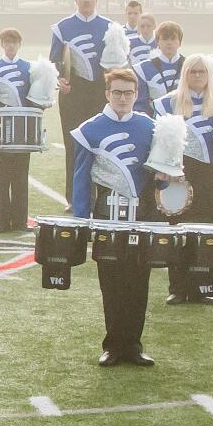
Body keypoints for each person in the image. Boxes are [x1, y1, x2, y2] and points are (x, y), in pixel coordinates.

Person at [70, 68, 157, 367]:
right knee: (111, 279)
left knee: (138, 279)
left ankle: (133, 344)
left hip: (142, 214)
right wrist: (83, 220)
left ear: (136, 95)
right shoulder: (90, 128)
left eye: (129, 93)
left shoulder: (149, 126)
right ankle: (112, 345)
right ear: (107, 94)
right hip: (107, 213)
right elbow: (81, 177)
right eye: (117, 92)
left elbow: (158, 176)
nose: (123, 98)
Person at [155, 54, 213, 305]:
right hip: (177, 173)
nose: (197, 76)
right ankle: (178, 287)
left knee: (207, 228)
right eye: (193, 72)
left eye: (202, 72)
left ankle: (203, 286)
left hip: (208, 174)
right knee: (178, 228)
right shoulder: (166, 103)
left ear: (209, 76)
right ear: (185, 74)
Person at [51, 0, 127, 195]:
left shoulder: (110, 27)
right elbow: (55, 60)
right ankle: (74, 196)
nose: (86, 0)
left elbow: (119, 61)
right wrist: (61, 80)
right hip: (72, 92)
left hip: (101, 91)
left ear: (96, 0)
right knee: (73, 143)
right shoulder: (62, 27)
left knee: (102, 142)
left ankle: (102, 195)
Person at [0, 28, 46, 234]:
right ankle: (2, 221)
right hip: (1, 128)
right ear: (1, 44)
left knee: (20, 177)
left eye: (14, 42)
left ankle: (20, 221)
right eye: (6, 42)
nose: (10, 46)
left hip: (22, 130)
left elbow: (36, 98)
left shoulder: (30, 68)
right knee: (2, 177)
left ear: (19, 44)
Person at [134, 21, 185, 115]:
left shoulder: (190, 66)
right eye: (165, 39)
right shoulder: (142, 69)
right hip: (154, 120)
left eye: (173, 39)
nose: (169, 43)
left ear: (180, 42)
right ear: (157, 42)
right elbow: (140, 104)